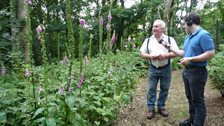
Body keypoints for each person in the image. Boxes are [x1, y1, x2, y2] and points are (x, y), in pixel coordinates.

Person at [164, 12, 215, 126]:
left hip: (198, 72)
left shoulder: (204, 35)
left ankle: (197, 123)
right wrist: (170, 48)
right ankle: (191, 120)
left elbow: (210, 53)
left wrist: (191, 59)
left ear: (190, 22)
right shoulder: (188, 37)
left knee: (198, 100)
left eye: (184, 24)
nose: (183, 26)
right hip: (187, 72)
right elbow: (184, 52)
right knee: (190, 97)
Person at [140, 20, 179, 119]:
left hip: (166, 68)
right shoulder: (148, 40)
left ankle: (161, 107)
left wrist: (165, 55)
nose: (154, 28)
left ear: (163, 28)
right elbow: (142, 53)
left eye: (157, 26)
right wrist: (150, 57)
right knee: (151, 89)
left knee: (165, 88)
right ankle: (151, 108)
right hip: (152, 68)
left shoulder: (170, 39)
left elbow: (176, 53)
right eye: (153, 26)